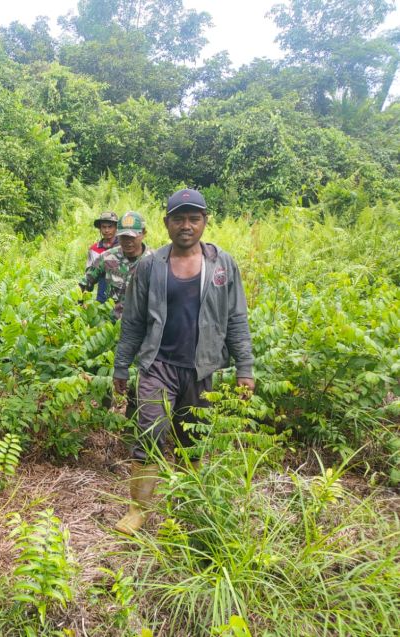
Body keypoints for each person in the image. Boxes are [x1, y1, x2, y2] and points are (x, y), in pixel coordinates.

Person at [112, 188, 255, 535]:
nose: (186, 225)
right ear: (166, 223)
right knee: (150, 431)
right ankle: (138, 509)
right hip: (157, 365)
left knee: (192, 440)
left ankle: (186, 504)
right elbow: (133, 320)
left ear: (205, 222)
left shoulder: (222, 264)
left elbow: (236, 318)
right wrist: (121, 365)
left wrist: (245, 368)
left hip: (201, 369)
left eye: (194, 218)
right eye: (179, 218)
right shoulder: (149, 266)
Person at [79, 211, 152, 321]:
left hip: (141, 327)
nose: (127, 241)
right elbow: (84, 282)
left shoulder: (154, 261)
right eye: (123, 237)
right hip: (110, 326)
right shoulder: (107, 257)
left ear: (143, 233)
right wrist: (79, 306)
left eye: (132, 237)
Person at [85, 212, 120, 303]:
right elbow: (89, 276)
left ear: (116, 228)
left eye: (110, 227)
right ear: (100, 228)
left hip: (122, 296)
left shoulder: (124, 247)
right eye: (104, 227)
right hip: (102, 295)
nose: (107, 230)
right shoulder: (94, 249)